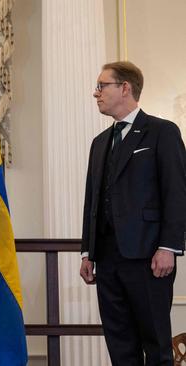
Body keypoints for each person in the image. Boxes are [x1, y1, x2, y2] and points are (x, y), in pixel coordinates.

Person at [80, 61, 186, 365]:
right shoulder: (99, 143)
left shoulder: (162, 132)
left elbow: (177, 193)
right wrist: (88, 251)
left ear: (125, 88)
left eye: (102, 86)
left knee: (156, 346)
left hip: (149, 257)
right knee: (120, 346)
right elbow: (92, 202)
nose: (95, 93)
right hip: (108, 259)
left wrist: (168, 247)